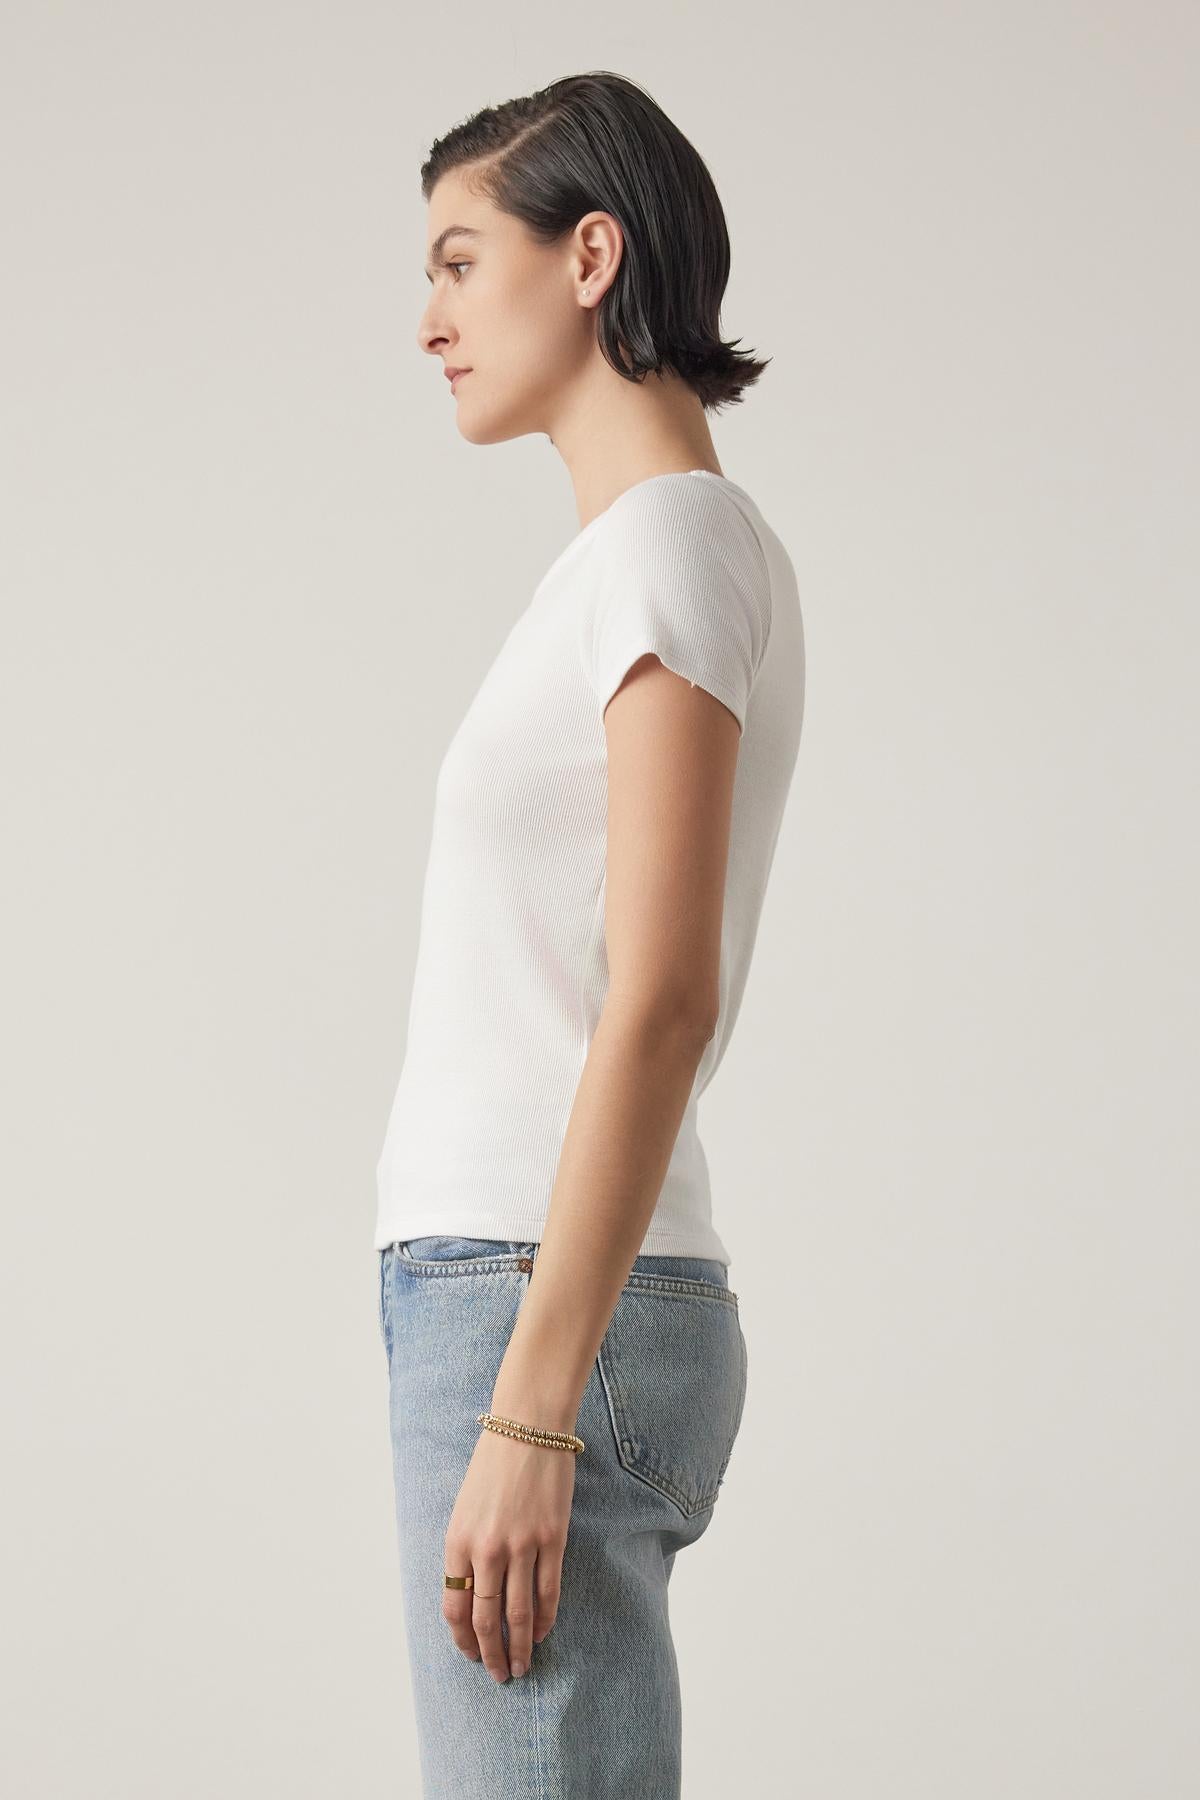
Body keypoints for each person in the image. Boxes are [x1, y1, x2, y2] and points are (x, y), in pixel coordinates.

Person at [374, 70, 805, 1798]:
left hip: (533, 1296)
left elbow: (664, 992)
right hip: (524, 1287)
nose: (430, 319)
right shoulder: (643, 557)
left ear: (589, 255)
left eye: (461, 261)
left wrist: (534, 1402)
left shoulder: (670, 544)